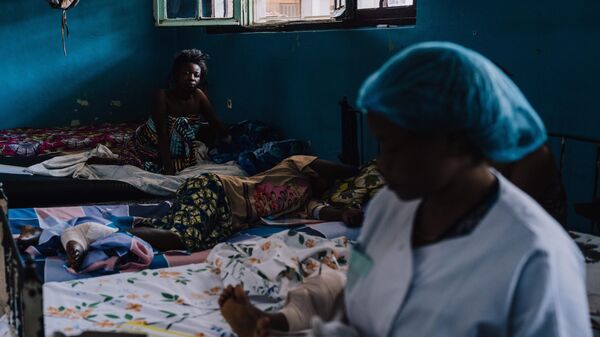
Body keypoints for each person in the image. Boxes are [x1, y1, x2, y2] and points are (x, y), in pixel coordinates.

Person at [218, 42, 592, 337]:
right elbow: (358, 311)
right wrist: (278, 326)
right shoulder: (389, 209)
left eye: (394, 147)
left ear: (456, 142)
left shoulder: (536, 259)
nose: (383, 164)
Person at [128, 155, 384, 252]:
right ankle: (113, 236)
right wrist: (363, 171)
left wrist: (344, 214)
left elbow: (322, 211)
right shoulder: (295, 166)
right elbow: (341, 168)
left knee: (201, 241)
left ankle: (127, 232)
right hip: (216, 189)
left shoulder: (306, 201)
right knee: (184, 238)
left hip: (227, 216)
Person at [90, 49, 229, 175]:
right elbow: (161, 134)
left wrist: (232, 142)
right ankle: (107, 160)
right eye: (186, 73)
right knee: (133, 164)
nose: (191, 78)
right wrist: (168, 167)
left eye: (196, 75)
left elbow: (215, 123)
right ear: (175, 76)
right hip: (149, 144)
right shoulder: (162, 96)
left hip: (179, 150)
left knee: (182, 135)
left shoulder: (199, 96)